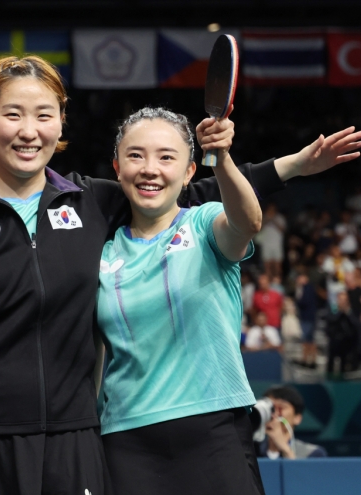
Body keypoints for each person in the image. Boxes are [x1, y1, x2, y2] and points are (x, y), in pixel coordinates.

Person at [0, 55, 361, 494]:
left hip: (72, 439)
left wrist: (293, 166)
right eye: (12, 114)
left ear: (61, 123)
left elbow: (182, 190)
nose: (28, 130)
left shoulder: (93, 201)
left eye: (44, 114)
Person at [96, 106, 267, 494]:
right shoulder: (102, 253)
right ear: (117, 167)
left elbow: (247, 222)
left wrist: (221, 159)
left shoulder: (205, 223)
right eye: (135, 155)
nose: (149, 169)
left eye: (166, 157)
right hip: (126, 437)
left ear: (190, 171)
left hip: (213, 427)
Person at [258, 385, 327, 459]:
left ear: (297, 418)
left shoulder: (312, 453)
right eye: (271, 408)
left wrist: (285, 449)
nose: (275, 414)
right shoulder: (251, 451)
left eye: (281, 408)